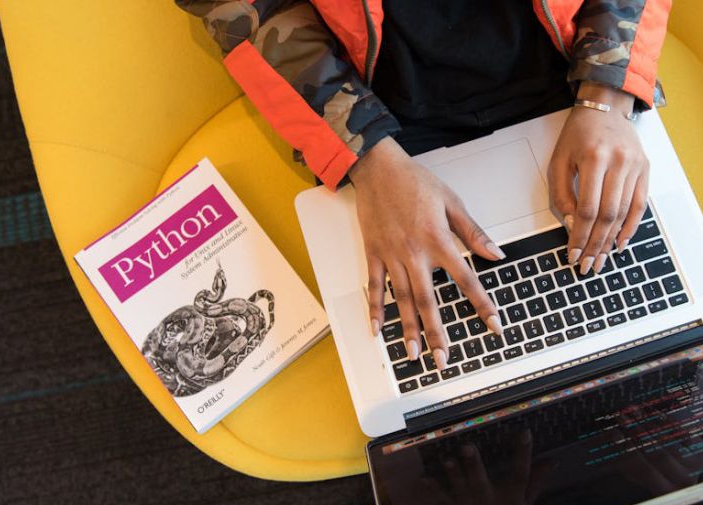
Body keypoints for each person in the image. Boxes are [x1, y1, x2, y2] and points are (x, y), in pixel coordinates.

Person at [177, 0, 669, 372]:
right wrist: (365, 153)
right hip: (381, 123)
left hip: (576, 78)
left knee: (656, 352)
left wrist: (608, 87)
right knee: (447, 387)